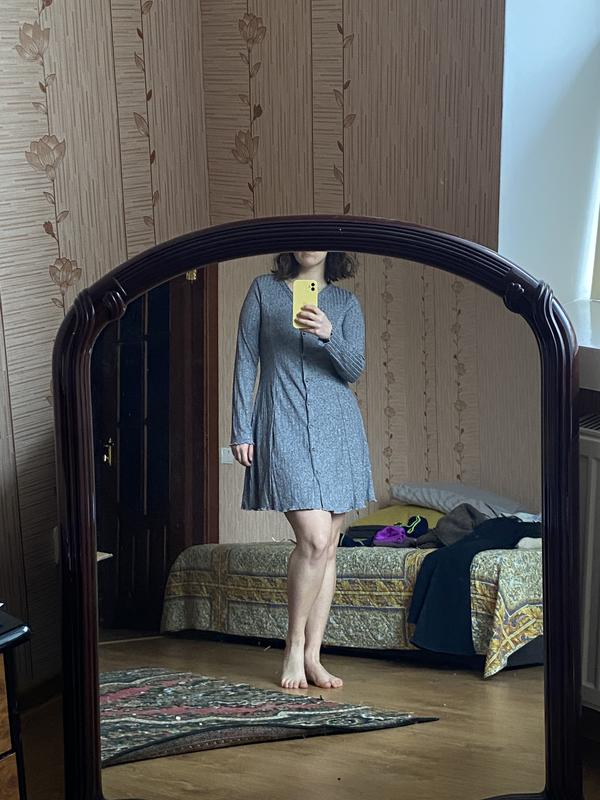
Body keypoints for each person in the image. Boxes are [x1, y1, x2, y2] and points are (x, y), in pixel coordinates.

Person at [230, 251, 376, 690]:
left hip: (338, 428)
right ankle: (293, 648)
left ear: (333, 248)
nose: (308, 245)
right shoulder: (263, 290)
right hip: (283, 417)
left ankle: (314, 656)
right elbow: (246, 358)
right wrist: (241, 428)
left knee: (328, 546)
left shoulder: (346, 304)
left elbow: (354, 370)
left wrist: (329, 333)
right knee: (312, 538)